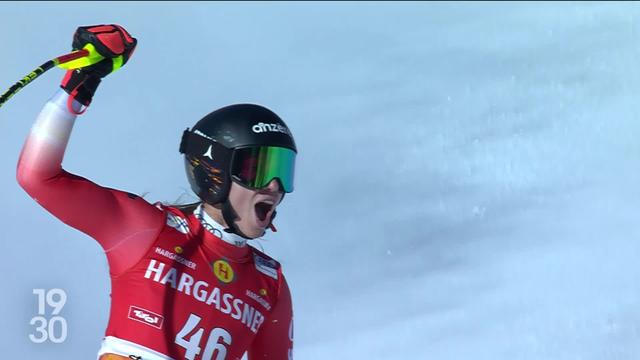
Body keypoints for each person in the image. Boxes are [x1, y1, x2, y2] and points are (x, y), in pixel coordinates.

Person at [17, 24, 295, 360]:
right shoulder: (148, 230)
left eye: (284, 171)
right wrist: (80, 84)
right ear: (215, 171)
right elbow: (39, 177)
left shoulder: (270, 284)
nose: (275, 187)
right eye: (261, 170)